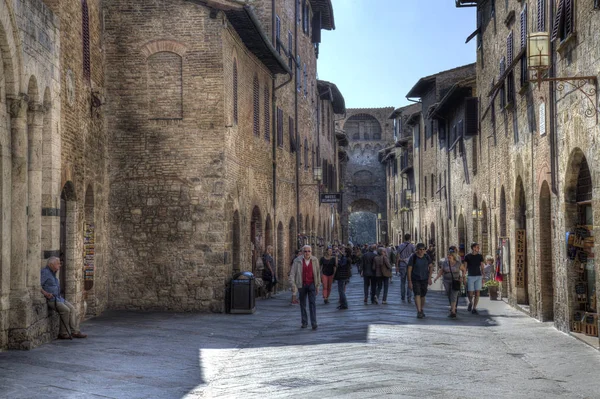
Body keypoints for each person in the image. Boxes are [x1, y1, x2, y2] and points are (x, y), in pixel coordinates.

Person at [40, 257, 87, 339]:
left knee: (72, 309)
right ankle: (63, 333)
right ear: (51, 264)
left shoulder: (54, 273)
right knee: (66, 310)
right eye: (57, 264)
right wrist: (46, 293)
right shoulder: (45, 273)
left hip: (58, 298)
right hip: (51, 299)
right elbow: (38, 285)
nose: (60, 265)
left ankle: (75, 331)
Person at [289, 245, 321, 330]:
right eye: (305, 251)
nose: (307, 253)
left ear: (311, 252)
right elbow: (292, 274)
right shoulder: (297, 261)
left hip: (311, 284)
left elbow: (318, 273)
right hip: (301, 285)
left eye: (309, 251)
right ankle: (304, 322)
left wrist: (318, 285)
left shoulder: (315, 260)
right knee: (302, 304)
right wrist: (293, 285)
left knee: (312, 303)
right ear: (303, 252)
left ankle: (314, 323)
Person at [434, 249, 465, 318]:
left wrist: (462, 277)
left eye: (450, 255)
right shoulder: (445, 263)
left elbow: (463, 269)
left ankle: (453, 311)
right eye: (448, 255)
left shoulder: (458, 263)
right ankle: (453, 307)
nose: (449, 256)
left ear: (453, 256)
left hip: (456, 281)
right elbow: (441, 271)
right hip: (446, 281)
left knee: (454, 295)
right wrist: (436, 278)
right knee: (449, 295)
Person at [407, 243, 433, 319]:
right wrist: (409, 281)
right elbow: (409, 269)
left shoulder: (426, 257)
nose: (421, 251)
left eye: (423, 249)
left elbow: (431, 266)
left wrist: (429, 278)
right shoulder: (413, 257)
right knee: (417, 294)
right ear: (417, 250)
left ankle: (421, 309)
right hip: (415, 279)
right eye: (420, 249)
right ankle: (418, 311)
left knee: (423, 295)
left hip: (424, 279)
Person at [463, 242, 485, 314]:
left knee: (477, 293)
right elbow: (465, 267)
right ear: (473, 248)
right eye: (477, 247)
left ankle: (474, 308)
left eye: (479, 247)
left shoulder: (480, 256)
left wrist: (483, 277)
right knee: (470, 293)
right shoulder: (467, 256)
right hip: (470, 276)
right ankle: (470, 302)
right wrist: (464, 277)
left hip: (478, 276)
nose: (478, 248)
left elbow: (482, 267)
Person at [396, 234, 416, 303]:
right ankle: (409, 297)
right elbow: (415, 255)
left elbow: (398, 257)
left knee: (402, 282)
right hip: (410, 266)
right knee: (410, 281)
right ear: (410, 238)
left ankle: (402, 297)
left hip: (402, 265)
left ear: (404, 238)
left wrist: (397, 266)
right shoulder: (412, 246)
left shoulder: (400, 246)